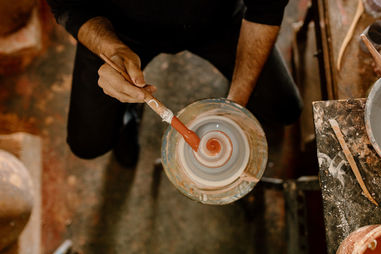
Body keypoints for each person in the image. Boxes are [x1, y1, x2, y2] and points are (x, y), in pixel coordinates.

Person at [47, 0, 303, 167]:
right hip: (118, 32)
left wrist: (236, 102)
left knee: (285, 108)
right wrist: (110, 50)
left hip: (219, 23)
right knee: (88, 144)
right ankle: (128, 113)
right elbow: (68, 5)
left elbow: (264, 10)